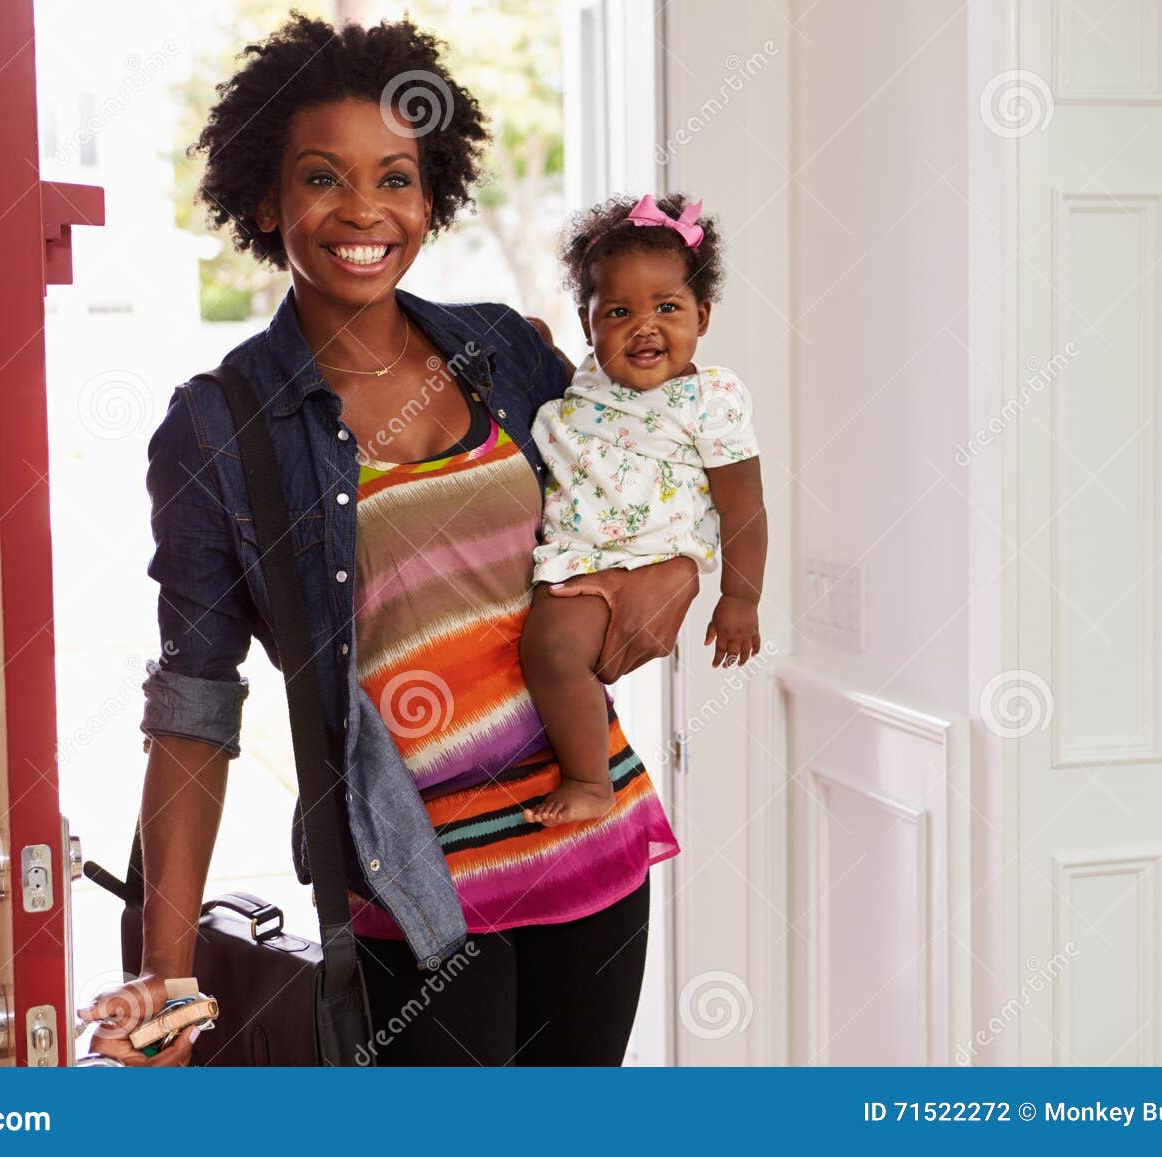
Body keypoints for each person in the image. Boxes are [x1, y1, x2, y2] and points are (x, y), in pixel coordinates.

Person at [78, 14, 695, 1067]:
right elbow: (193, 706)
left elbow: (636, 486)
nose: (363, 210)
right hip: (411, 890)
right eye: (322, 178)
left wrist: (679, 567)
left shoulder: (506, 351)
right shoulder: (220, 428)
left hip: (589, 849)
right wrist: (168, 975)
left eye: (395, 178)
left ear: (431, 193)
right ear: (267, 198)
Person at [520, 194, 766, 827]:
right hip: (575, 556)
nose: (645, 326)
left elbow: (744, 509)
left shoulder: (711, 400)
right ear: (589, 321)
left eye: (668, 308)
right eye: (620, 312)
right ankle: (587, 770)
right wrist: (530, 338)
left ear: (702, 315)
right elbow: (552, 377)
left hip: (644, 560)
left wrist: (740, 599)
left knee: (552, 653)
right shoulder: (589, 380)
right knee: (549, 652)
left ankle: (589, 780)